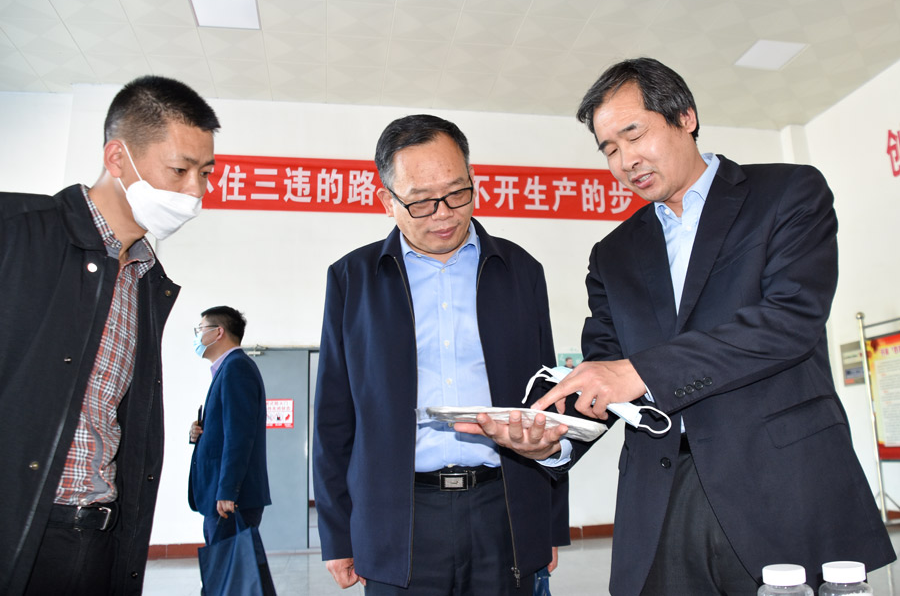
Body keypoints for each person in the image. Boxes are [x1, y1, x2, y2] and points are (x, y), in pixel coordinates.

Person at [455, 58, 896, 595]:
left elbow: (789, 320)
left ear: (685, 116)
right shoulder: (613, 254)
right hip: (662, 496)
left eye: (633, 134)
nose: (625, 161)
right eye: (609, 149)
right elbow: (604, 367)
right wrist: (548, 434)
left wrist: (640, 372)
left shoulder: (787, 193)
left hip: (783, 485)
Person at [313, 114, 569, 594]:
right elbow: (333, 417)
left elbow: (546, 404)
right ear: (386, 200)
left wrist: (551, 522)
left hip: (504, 509)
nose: (444, 213)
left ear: (473, 180)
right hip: (398, 518)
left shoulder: (520, 271)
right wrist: (337, 533)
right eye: (421, 201)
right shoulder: (353, 279)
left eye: (457, 193)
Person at [0, 75, 219, 595]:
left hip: (97, 537)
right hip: (18, 530)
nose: (196, 192)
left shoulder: (146, 282)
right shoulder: (17, 232)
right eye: (180, 170)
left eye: (206, 173)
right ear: (117, 158)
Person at [188, 306, 271, 545]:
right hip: (222, 496)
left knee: (229, 565)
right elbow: (225, 431)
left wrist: (227, 490)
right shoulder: (227, 368)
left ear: (218, 332)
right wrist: (199, 434)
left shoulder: (236, 368)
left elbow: (239, 435)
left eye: (200, 329)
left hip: (229, 500)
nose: (197, 336)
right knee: (226, 565)